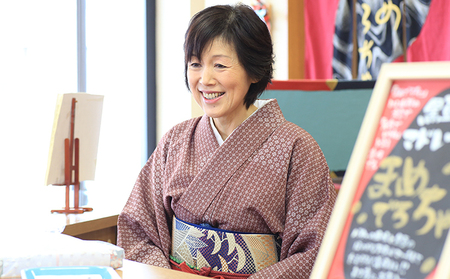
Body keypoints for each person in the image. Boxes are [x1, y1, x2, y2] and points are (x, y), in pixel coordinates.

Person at [117, 4, 337, 279]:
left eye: (220, 65)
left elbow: (314, 253)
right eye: (195, 64)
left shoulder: (298, 149)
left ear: (254, 71)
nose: (205, 79)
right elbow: (138, 227)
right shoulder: (176, 140)